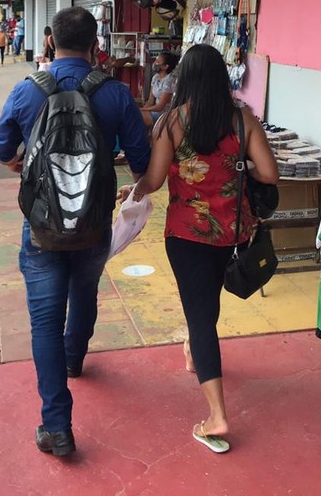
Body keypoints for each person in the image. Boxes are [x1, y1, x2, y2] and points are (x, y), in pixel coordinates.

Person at [0, 7, 150, 458]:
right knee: (85, 293)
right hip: (94, 221)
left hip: (42, 227)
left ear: (51, 42)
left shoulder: (28, 91)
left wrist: (18, 163)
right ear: (94, 44)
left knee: (44, 321)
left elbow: (3, 146)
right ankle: (75, 359)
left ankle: (57, 426)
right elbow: (140, 157)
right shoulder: (116, 94)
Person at [118, 44, 278, 453]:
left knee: (200, 314)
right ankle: (194, 346)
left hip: (187, 233)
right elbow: (269, 173)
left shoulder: (173, 122)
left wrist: (133, 191)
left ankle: (218, 416)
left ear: (185, 79)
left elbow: (153, 180)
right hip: (231, 232)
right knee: (204, 306)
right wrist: (235, 164)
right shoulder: (242, 120)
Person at [140, 52, 179, 128]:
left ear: (165, 66)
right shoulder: (155, 77)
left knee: (137, 117)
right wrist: (143, 109)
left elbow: (160, 107)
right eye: (155, 60)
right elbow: (150, 101)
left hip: (165, 114)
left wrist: (142, 109)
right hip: (155, 111)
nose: (154, 63)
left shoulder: (169, 80)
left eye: (157, 62)